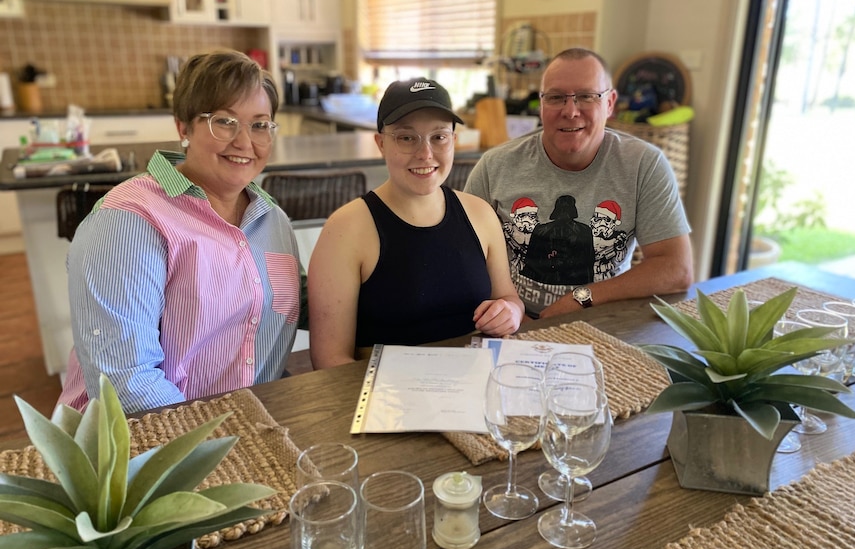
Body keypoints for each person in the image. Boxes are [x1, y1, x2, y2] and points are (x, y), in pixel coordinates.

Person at [57, 49, 301, 413]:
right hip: (143, 446)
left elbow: (278, 315)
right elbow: (126, 384)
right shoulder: (128, 221)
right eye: (225, 121)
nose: (244, 141)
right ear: (183, 127)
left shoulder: (273, 220)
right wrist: (222, 444)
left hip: (248, 423)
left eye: (260, 124)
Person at [308, 78, 524, 370]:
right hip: (386, 400)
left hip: (474, 386)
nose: (425, 154)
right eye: (406, 138)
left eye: (439, 137)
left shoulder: (480, 213)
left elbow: (509, 299)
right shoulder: (345, 229)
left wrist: (510, 311)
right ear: (381, 143)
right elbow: (330, 360)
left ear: (454, 142)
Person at [464, 47, 693, 319]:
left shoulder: (645, 165)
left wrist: (579, 299)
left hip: (602, 319)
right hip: (509, 323)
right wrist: (509, 310)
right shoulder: (494, 166)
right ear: (541, 104)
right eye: (556, 97)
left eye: (587, 96)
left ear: (610, 103)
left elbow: (677, 269)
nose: (570, 111)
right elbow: (463, 258)